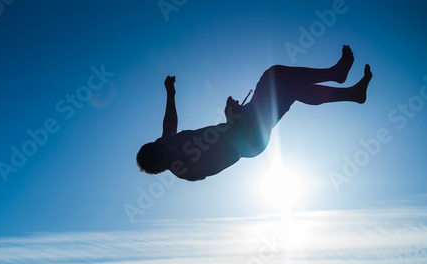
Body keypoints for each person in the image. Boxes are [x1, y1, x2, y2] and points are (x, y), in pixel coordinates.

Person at [137, 45, 372, 181]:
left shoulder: (164, 144)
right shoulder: (187, 170)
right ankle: (337, 76)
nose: (170, 145)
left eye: (164, 145)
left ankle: (351, 92)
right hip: (249, 140)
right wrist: (233, 122)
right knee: (274, 77)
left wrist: (170, 92)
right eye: (168, 154)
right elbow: (232, 156)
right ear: (166, 166)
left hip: (242, 121)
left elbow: (169, 126)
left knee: (288, 87)